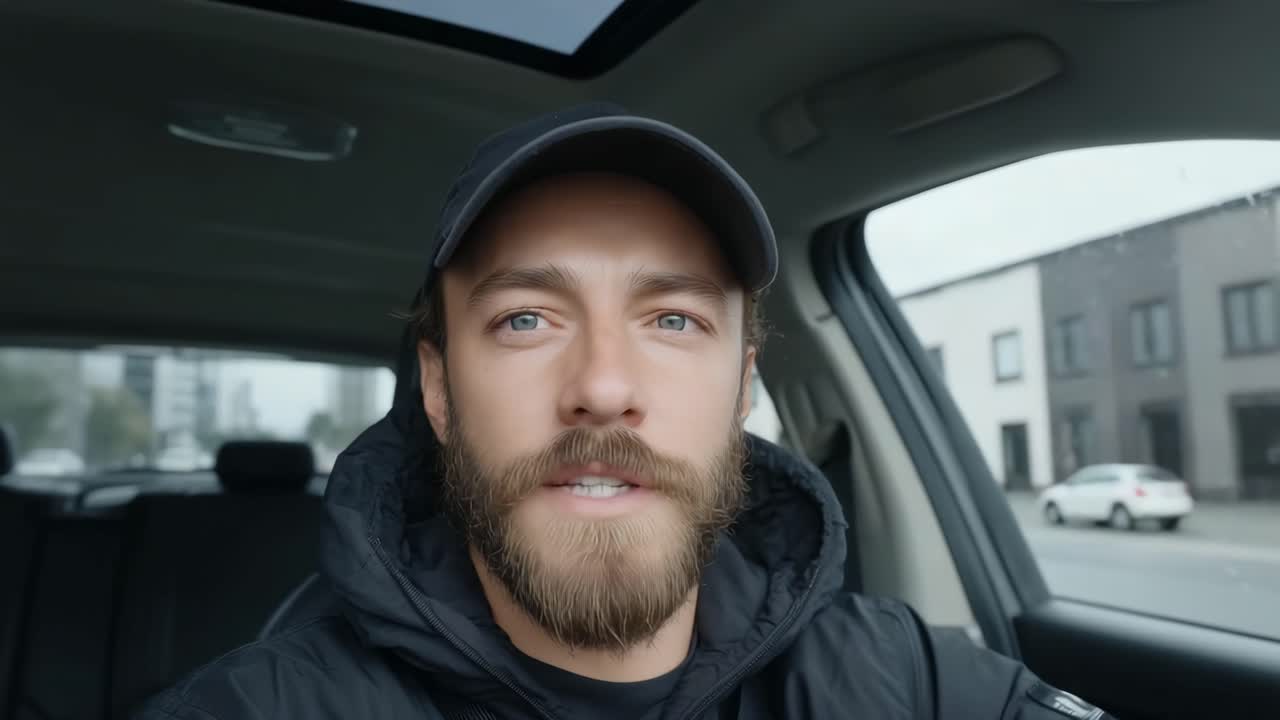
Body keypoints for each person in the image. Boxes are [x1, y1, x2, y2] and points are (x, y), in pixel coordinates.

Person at [138, 104, 1111, 720]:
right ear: (437, 391)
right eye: (525, 318)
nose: (603, 385)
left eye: (674, 318)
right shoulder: (264, 704)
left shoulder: (902, 683)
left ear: (741, 389)